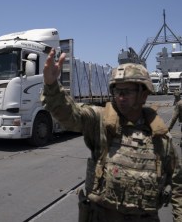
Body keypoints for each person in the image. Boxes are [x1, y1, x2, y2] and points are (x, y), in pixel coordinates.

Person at [41, 49, 182, 222]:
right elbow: (69, 114)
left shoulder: (160, 137)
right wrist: (52, 86)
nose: (120, 98)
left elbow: (178, 186)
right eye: (117, 92)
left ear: (144, 94)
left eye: (127, 92)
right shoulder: (100, 121)